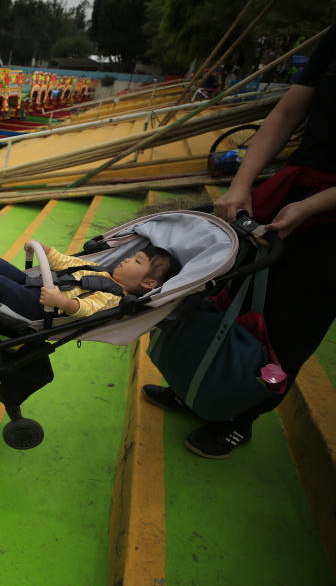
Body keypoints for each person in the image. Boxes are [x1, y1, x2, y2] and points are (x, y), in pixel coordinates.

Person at [144, 24, 336, 458]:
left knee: (286, 326)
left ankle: (237, 416)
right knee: (223, 292)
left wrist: (310, 209)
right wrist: (241, 185)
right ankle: (195, 386)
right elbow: (286, 115)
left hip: (326, 220)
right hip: (292, 189)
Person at [0, 245, 178, 318]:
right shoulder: (100, 270)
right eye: (132, 255)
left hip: (42, 306)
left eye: (137, 261)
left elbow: (86, 309)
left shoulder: (114, 296)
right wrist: (45, 250)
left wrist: (63, 302)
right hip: (37, 286)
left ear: (149, 284)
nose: (126, 260)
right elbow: (66, 262)